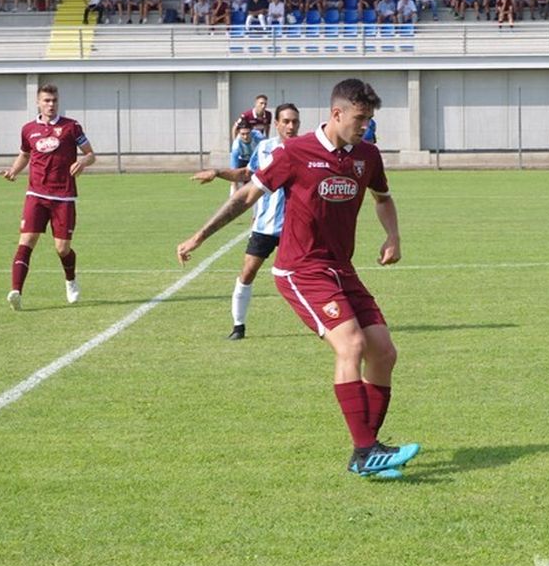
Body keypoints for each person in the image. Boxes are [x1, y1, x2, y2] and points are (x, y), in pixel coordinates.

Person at [176, 79, 420, 480]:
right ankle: (365, 451)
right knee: (352, 344)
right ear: (337, 113)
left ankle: (368, 450)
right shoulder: (295, 152)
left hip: (341, 268)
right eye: (360, 119)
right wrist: (200, 236)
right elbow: (246, 196)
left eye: (369, 119)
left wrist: (393, 236)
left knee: (383, 352)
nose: (365, 126)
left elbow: (383, 198)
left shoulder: (367, 155)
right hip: (300, 269)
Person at [191, 104, 300, 340]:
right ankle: (238, 326)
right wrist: (217, 173)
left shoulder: (306, 149)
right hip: (265, 226)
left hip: (296, 228)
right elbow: (246, 175)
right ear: (277, 124)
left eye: (295, 122)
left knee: (308, 275)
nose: (291, 126)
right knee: (248, 272)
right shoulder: (264, 148)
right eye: (286, 121)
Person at [1, 83, 95, 311]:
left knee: (62, 249)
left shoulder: (71, 127)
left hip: (64, 196)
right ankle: (16, 292)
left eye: (54, 101)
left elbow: (91, 154)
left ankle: (70, 280)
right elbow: (25, 154)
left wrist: (83, 161)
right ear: (38, 102)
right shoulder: (28, 129)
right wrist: (14, 170)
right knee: (26, 241)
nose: (51, 105)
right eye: (46, 100)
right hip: (36, 194)